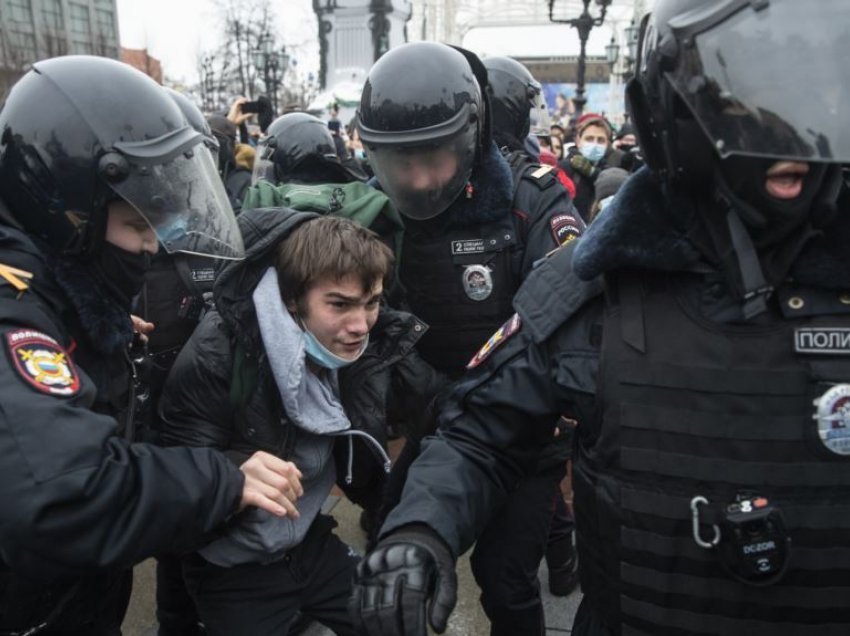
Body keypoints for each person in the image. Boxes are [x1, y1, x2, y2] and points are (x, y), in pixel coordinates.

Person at [350, 1, 850, 635]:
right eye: (757, 108)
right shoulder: (598, 284)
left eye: (819, 96)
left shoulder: (541, 209)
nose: (796, 130)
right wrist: (420, 530)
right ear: (676, 117)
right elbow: (482, 432)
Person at [0, 55, 302, 635]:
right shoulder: (15, 313)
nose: (150, 248)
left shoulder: (59, 287)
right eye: (139, 227)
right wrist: (220, 481)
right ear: (68, 212)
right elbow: (67, 495)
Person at [357, 43, 583, 636]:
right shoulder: (374, 209)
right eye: (403, 164)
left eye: (436, 159)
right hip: (428, 420)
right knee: (394, 562)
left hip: (522, 426)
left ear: (472, 139)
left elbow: (566, 308)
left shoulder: (530, 199)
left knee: (505, 578)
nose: (422, 180)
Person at [158, 211, 443, 636]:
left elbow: (437, 397)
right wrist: (234, 474)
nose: (360, 325)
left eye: (372, 302)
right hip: (233, 567)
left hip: (309, 543)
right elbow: (173, 481)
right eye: (340, 304)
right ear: (292, 298)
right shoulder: (218, 354)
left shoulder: (368, 344)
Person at [561, 112, 625, 220]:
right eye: (589, 139)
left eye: (600, 140)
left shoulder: (611, 171)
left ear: (607, 144)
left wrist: (592, 172)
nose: (595, 144)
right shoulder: (564, 168)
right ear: (578, 141)